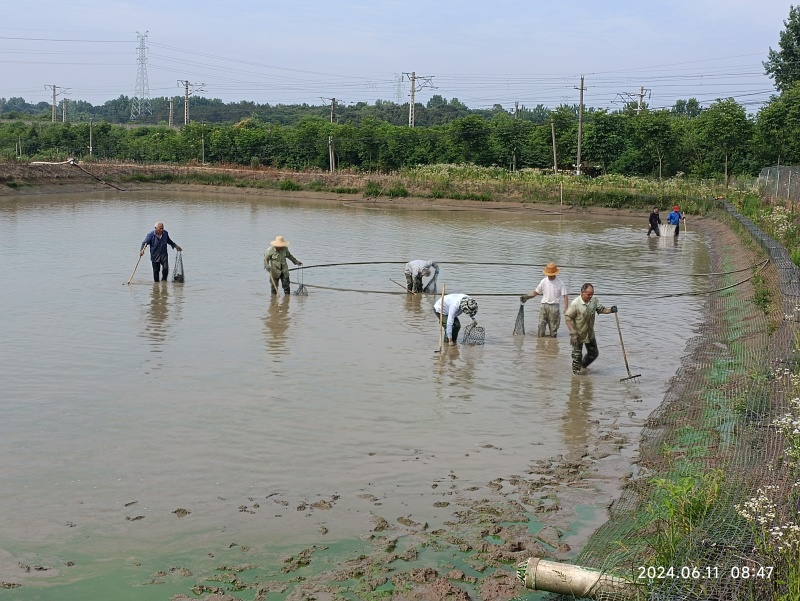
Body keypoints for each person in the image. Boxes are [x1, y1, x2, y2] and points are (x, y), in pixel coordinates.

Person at [564, 283, 616, 375]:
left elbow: (601, 309)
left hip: (589, 334)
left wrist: (611, 310)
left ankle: (583, 366)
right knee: (577, 357)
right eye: (588, 294)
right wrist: (572, 332)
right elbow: (568, 318)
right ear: (582, 293)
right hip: (577, 335)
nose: (590, 296)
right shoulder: (575, 304)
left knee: (594, 354)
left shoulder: (594, 300)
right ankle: (576, 377)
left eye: (592, 294)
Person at [520, 262, 569, 337]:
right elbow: (536, 292)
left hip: (554, 307)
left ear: (555, 274)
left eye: (551, 275)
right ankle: (541, 343)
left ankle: (552, 341)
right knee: (541, 325)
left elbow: (565, 296)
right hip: (544, 306)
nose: (550, 276)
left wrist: (566, 308)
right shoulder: (544, 281)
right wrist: (526, 297)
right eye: (548, 275)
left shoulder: (560, 283)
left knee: (553, 328)